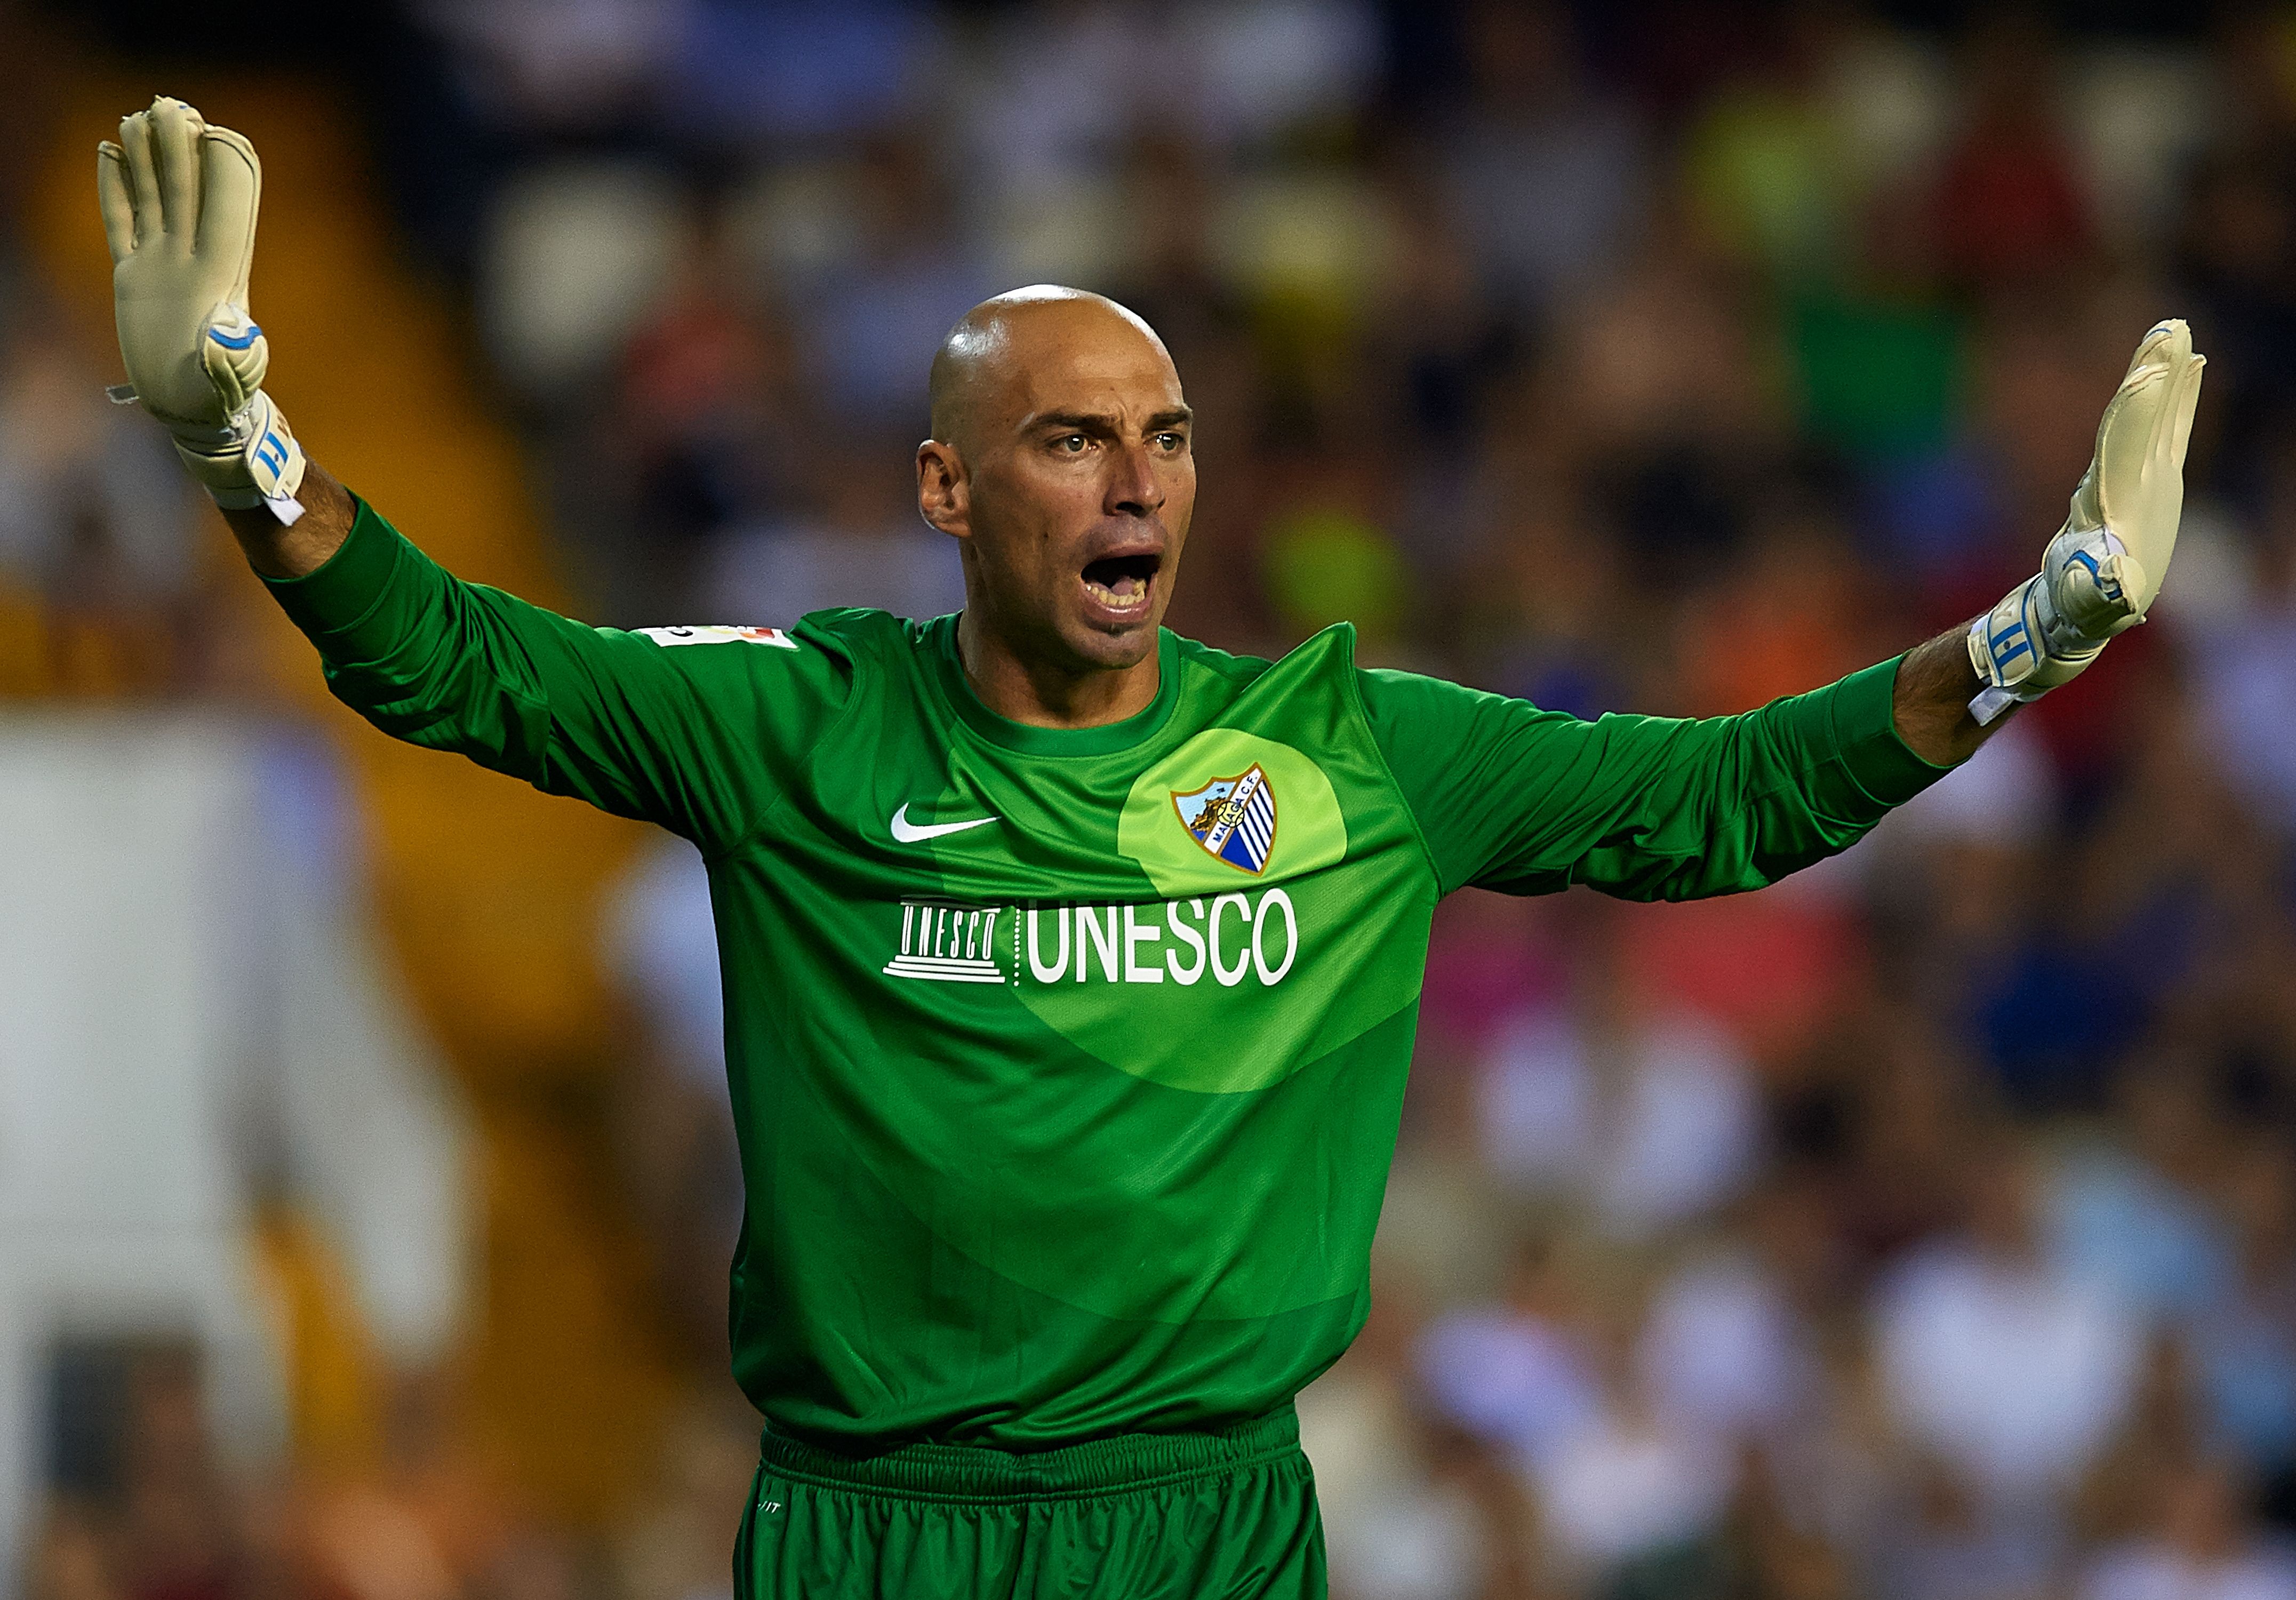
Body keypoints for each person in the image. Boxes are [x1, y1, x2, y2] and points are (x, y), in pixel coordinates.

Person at [93, 97, 2204, 1599]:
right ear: (943, 484)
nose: (1135, 480)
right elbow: (456, 664)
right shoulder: (791, 720)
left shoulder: (1354, 754)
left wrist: (2036, 633)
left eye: (1168, 436)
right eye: (1070, 435)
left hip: (1207, 1527)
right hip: (875, 1530)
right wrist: (236, 439)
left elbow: (1728, 796)